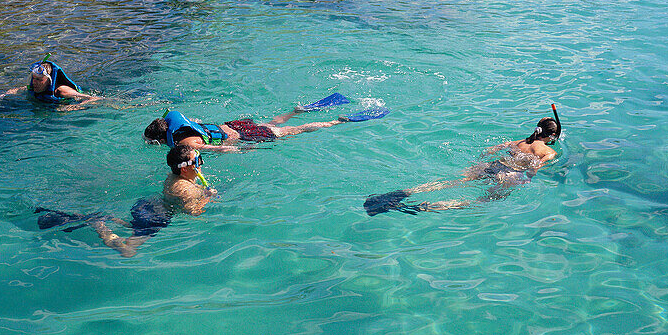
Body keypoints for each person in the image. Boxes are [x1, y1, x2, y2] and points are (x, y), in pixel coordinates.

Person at [365, 115, 561, 215]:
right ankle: (423, 207)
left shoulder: (519, 142)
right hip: (509, 175)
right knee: (480, 201)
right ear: (551, 136)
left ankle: (405, 192)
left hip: (492, 165)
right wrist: (524, 180)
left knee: (455, 182)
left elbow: (491, 149)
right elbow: (533, 169)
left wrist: (480, 162)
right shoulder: (549, 152)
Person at [88, 145, 214, 257]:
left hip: (148, 204)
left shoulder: (174, 177)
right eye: (197, 161)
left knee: (135, 226)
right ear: (184, 169)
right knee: (128, 250)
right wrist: (208, 197)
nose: (200, 164)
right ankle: (100, 228)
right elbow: (193, 212)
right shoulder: (186, 190)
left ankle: (110, 220)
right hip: (157, 216)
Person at [144, 107, 351, 152]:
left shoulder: (184, 143)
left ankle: (335, 122)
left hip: (243, 136)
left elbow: (222, 149)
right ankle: (296, 110)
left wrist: (242, 150)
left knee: (294, 131)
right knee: (273, 122)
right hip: (234, 125)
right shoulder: (181, 124)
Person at [0, 60, 102, 111]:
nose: (35, 82)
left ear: (48, 81)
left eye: (39, 80)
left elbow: (93, 98)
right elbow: (18, 89)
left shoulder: (61, 91)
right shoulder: (33, 86)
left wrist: (70, 108)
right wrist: (3, 95)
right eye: (34, 78)